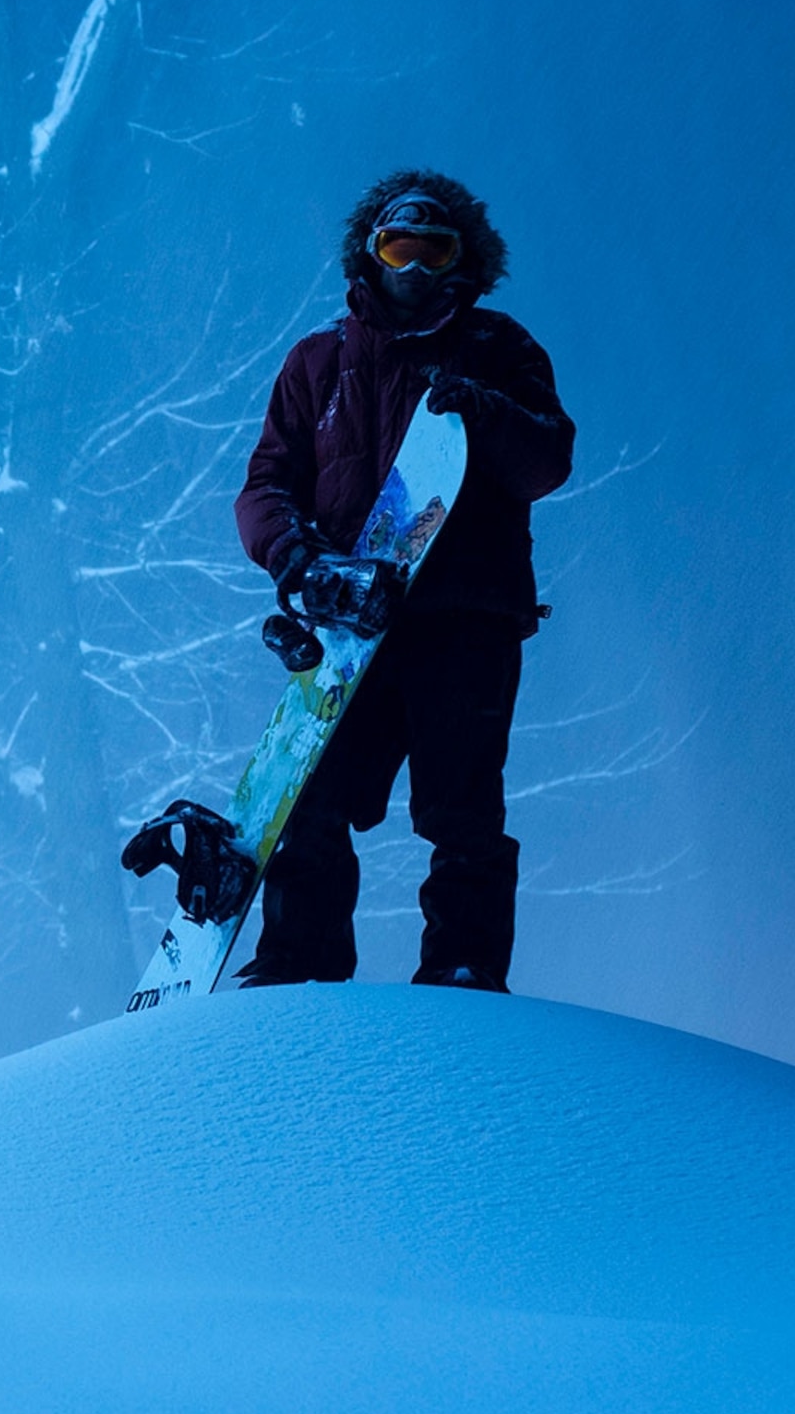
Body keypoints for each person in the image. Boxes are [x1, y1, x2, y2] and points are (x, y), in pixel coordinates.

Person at [230, 170, 575, 991]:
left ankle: (462, 972)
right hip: (354, 623)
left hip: (465, 620)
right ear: (370, 254)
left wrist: (484, 412)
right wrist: (301, 563)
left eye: (434, 251)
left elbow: (547, 458)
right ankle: (298, 967)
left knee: (460, 811)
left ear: (463, 260)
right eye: (398, 248)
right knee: (308, 798)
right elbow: (264, 486)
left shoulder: (498, 348)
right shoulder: (319, 365)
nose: (415, 269)